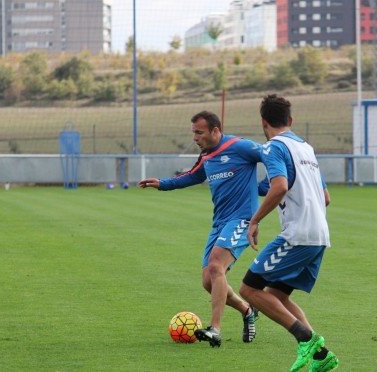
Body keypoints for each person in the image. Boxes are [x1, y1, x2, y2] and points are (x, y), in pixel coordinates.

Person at [139, 111, 261, 348]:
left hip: (242, 220)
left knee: (216, 266)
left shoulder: (241, 146)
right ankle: (247, 310)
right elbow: (192, 176)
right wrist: (162, 184)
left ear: (216, 130)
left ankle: (214, 329)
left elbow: (274, 160)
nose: (195, 137)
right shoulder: (207, 156)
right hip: (220, 223)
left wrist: (266, 188)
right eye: (193, 132)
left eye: (199, 132)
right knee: (209, 280)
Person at [239, 94, 338, 371]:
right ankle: (321, 356)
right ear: (290, 121)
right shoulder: (306, 148)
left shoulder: (273, 148)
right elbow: (326, 197)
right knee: (278, 296)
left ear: (263, 122)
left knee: (249, 288)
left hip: (297, 236)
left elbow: (280, 186)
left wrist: (255, 220)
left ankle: (306, 339)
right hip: (319, 235)